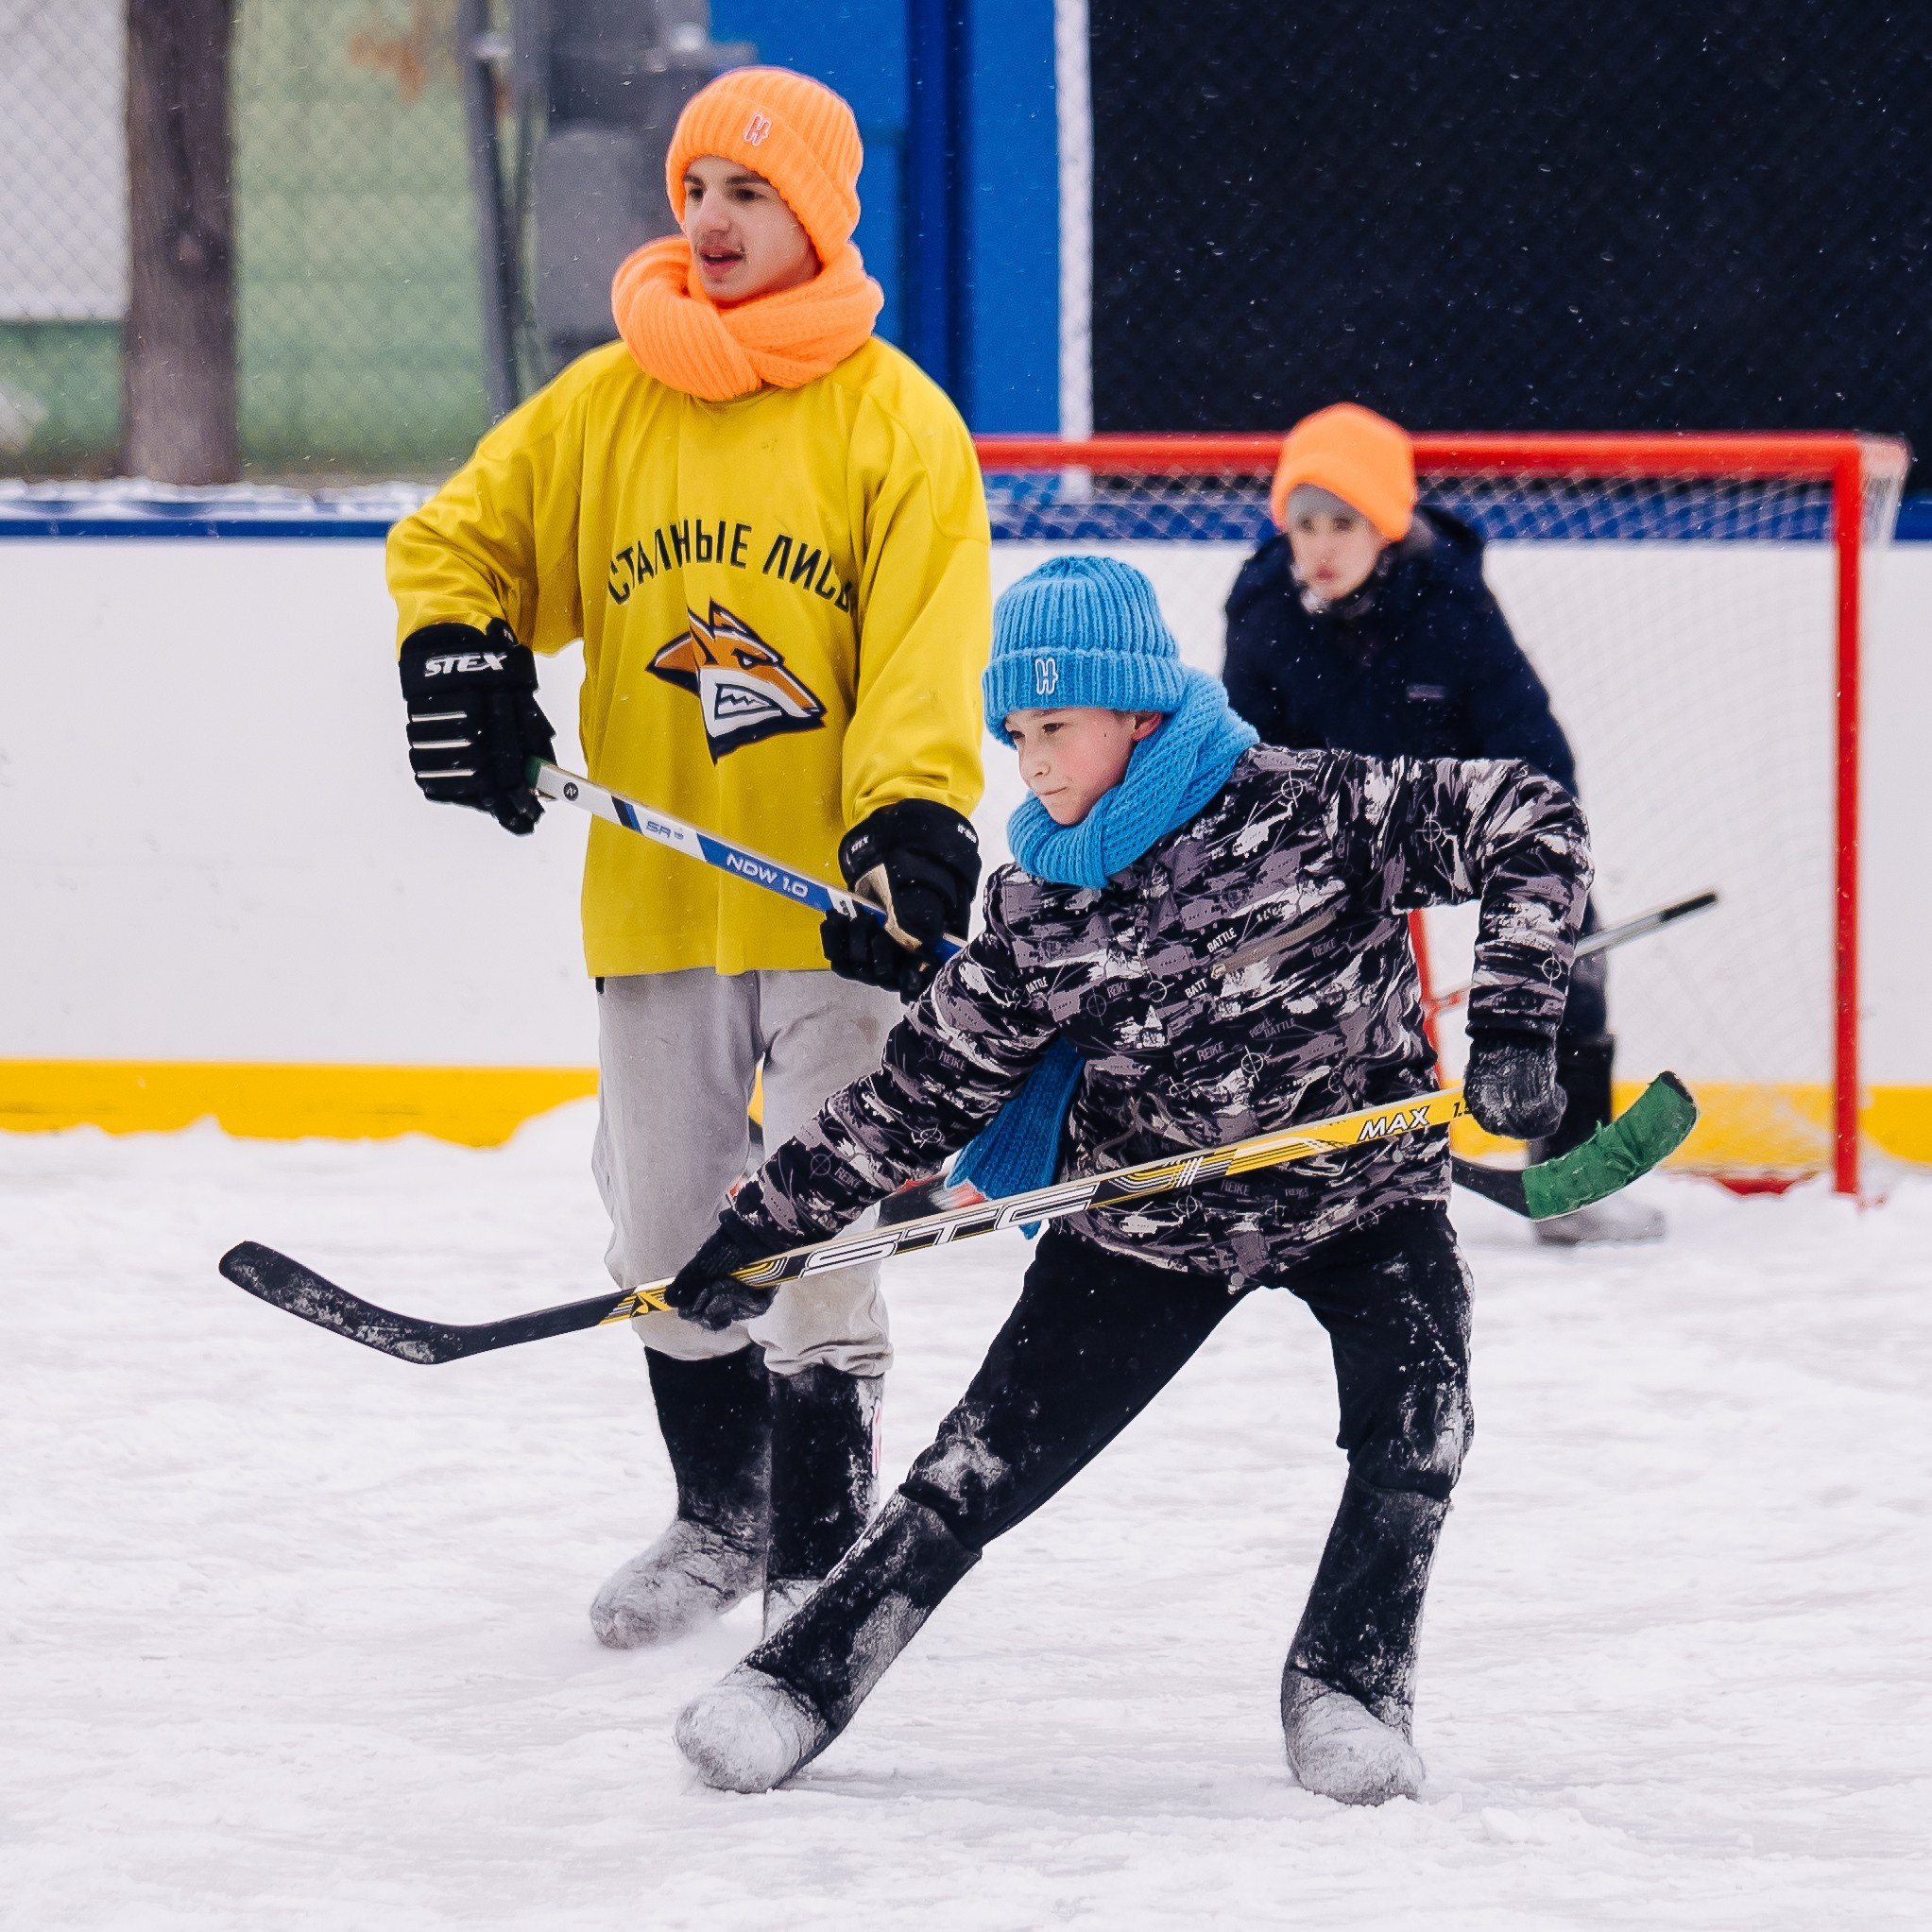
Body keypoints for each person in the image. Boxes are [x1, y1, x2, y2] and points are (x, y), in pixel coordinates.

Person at [652, 554, 1591, 1804]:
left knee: (1422, 1417)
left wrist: (1517, 1024)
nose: (1031, 761)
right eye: (1016, 734)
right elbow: (917, 1093)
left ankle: (1346, 1681)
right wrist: (767, 1231)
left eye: (1056, 725)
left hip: (1360, 1196)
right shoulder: (1040, 905)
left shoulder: (1309, 807)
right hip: (1151, 1218)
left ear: (1138, 711)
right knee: (977, 1467)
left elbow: (1528, 815)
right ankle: (798, 1680)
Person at [385, 68, 990, 1646]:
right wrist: (463, 656)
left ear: (821, 214)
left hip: (835, 914)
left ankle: (818, 1552)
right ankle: (719, 1518)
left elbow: (922, 655)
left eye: (751, 193)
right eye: (697, 190)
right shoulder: (608, 403)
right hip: (657, 901)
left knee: (821, 1238)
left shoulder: (894, 420)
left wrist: (912, 815)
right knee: (666, 1236)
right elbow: (454, 544)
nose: (712, 220)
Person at [1221, 402, 1661, 1245]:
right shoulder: (1263, 612)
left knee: (1567, 948)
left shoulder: (1452, 605)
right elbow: (1251, 766)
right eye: (1303, 524)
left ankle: (1575, 1172)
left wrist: (1547, 870)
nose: (1320, 546)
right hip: (1335, 832)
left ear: (1385, 522)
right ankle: (1297, 1172)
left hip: (1455, 820)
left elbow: (1532, 752)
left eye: (1342, 523)